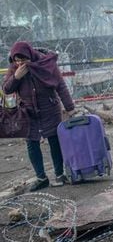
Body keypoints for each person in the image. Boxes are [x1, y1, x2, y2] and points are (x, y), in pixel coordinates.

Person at [2, 42, 75, 191]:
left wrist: (70, 108)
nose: (20, 63)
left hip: (50, 108)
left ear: (30, 55)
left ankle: (60, 175)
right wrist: (16, 77)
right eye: (17, 61)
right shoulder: (15, 69)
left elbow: (60, 85)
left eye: (23, 60)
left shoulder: (46, 63)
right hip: (28, 112)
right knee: (32, 143)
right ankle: (41, 178)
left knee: (54, 141)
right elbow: (6, 89)